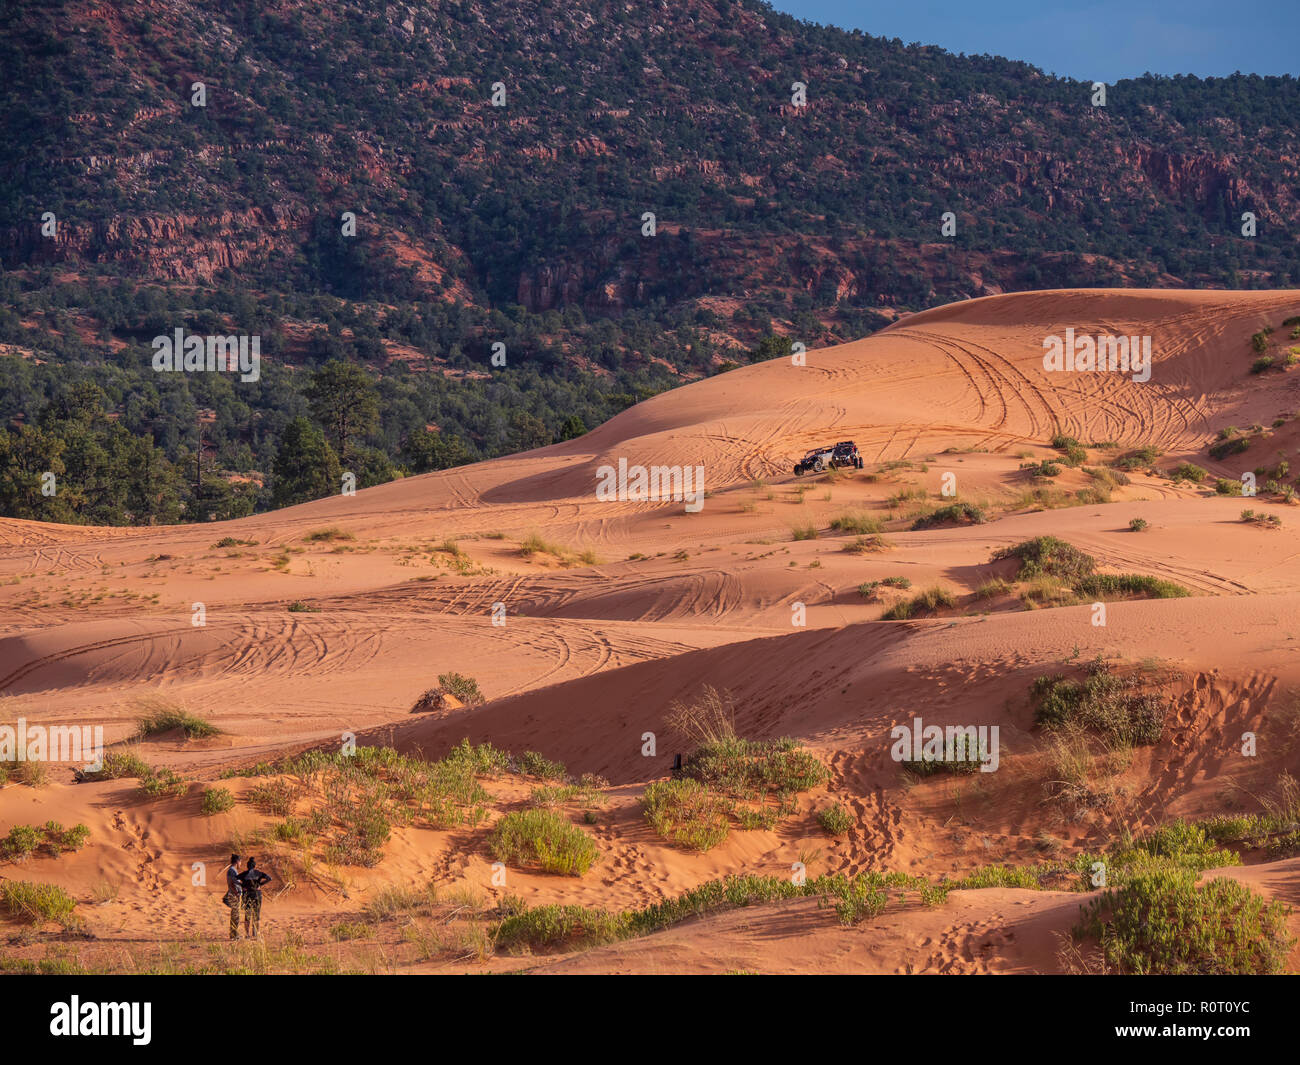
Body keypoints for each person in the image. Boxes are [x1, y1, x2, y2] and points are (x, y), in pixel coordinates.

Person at [239, 857, 272, 940]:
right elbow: (269, 878)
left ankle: (247, 935)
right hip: (257, 894)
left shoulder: (244, 874)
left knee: (247, 915)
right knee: (256, 914)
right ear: (254, 866)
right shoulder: (259, 873)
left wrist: (243, 886)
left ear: (247, 866)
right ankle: (256, 934)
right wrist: (260, 884)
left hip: (247, 895)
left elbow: (234, 879)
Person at [223, 854, 243, 940]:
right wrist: (236, 893)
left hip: (234, 894)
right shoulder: (232, 870)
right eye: (240, 862)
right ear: (237, 861)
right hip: (234, 895)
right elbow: (232, 883)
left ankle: (233, 934)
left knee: (234, 915)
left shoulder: (232, 870)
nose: (240, 864)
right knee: (236, 916)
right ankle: (235, 935)